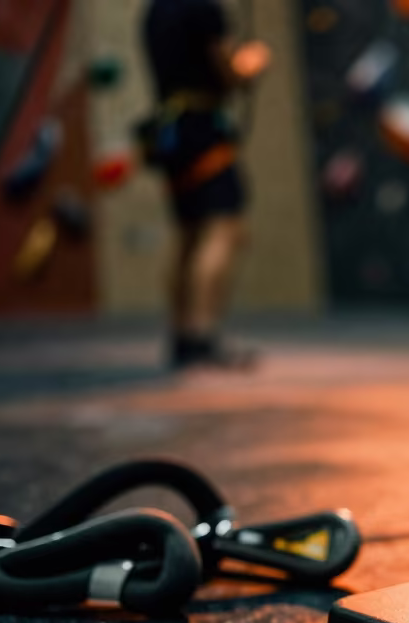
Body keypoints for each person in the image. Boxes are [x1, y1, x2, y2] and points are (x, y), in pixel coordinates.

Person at [141, 0, 271, 368]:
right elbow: (228, 73)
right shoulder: (203, 8)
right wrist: (251, 65)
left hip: (171, 131)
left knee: (188, 232)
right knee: (223, 227)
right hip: (203, 130)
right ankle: (202, 333)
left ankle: (182, 335)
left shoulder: (155, 11)